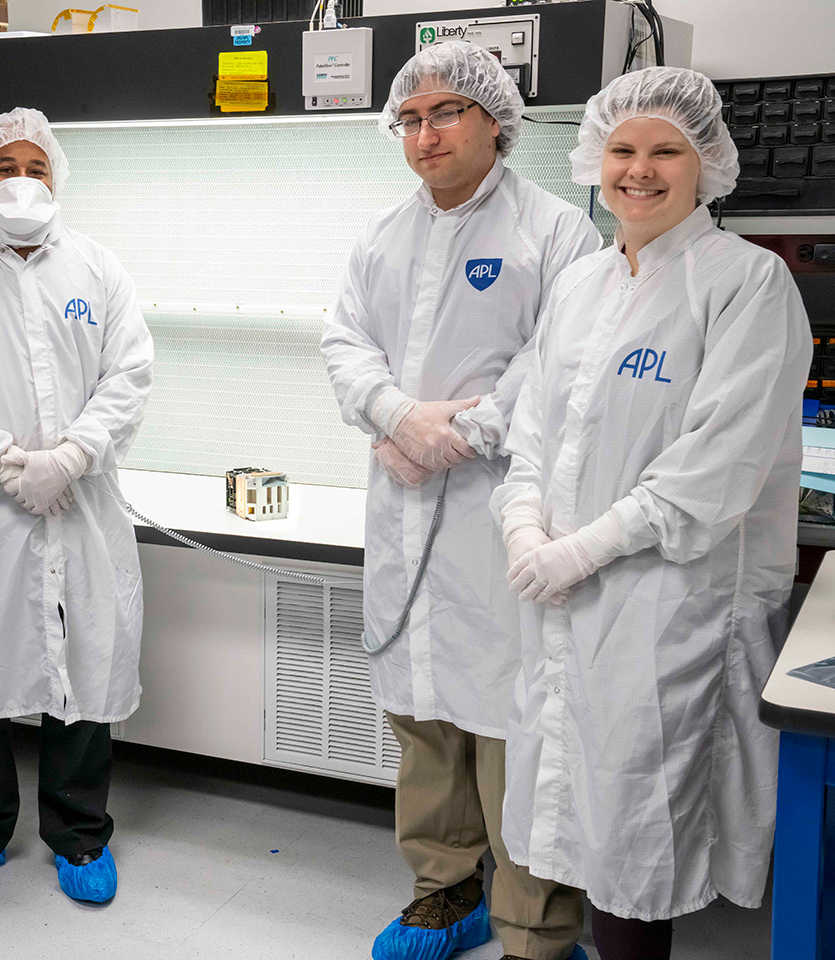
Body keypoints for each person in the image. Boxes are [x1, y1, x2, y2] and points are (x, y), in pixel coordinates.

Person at [492, 66, 810, 960]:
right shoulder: (583, 286)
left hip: (675, 607)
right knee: (582, 810)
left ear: (705, 163)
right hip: (569, 600)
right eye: (622, 150)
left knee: (639, 820)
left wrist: (578, 550)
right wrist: (524, 522)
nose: (640, 170)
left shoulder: (745, 285)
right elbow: (533, 432)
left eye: (666, 151)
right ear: (595, 158)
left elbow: (715, 471)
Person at [320, 42, 601, 960]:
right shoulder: (381, 236)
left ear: (495, 121)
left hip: (506, 507)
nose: (425, 133)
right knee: (424, 711)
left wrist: (460, 436)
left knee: (515, 717)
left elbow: (560, 360)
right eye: (410, 117)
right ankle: (444, 893)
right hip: (401, 501)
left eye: (446, 113)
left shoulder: (557, 234)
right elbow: (344, 345)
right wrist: (400, 418)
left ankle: (531, 920)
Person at [0, 107, 154, 905]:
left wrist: (72, 456)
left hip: (80, 504)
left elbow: (129, 377)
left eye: (35, 168)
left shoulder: (97, 270)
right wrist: (6, 457)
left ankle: (78, 835)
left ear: (57, 178)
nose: (20, 182)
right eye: (2, 168)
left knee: (83, 659)